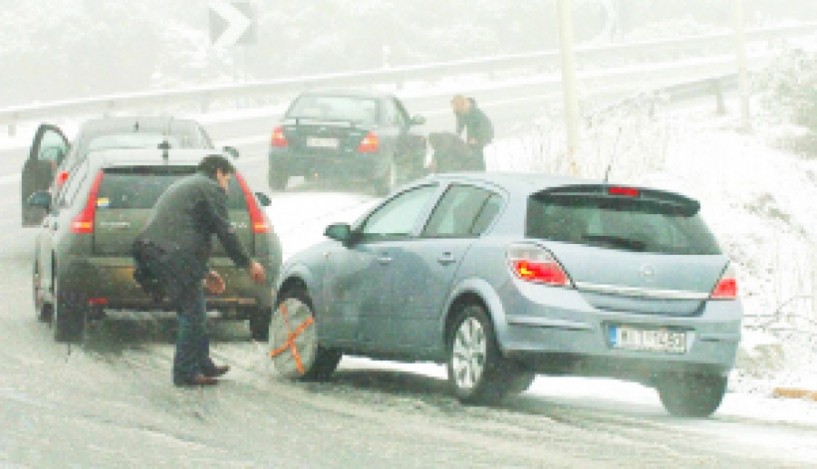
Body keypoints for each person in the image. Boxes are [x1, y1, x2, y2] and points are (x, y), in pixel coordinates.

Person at [132, 154, 266, 387]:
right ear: (218, 173)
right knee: (193, 314)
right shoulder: (210, 188)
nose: (227, 186)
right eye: (227, 179)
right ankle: (184, 373)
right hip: (172, 254)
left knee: (195, 309)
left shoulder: (190, 186)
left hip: (157, 251)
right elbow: (225, 231)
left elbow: (191, 232)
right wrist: (248, 263)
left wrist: (205, 272)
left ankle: (203, 363)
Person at [451, 95, 494, 171]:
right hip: (472, 136)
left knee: (476, 154)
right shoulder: (462, 112)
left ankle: (480, 172)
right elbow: (460, 124)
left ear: (461, 105)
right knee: (470, 154)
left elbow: (485, 127)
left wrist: (478, 139)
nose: (454, 109)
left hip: (482, 135)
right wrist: (457, 135)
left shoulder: (475, 113)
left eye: (455, 107)